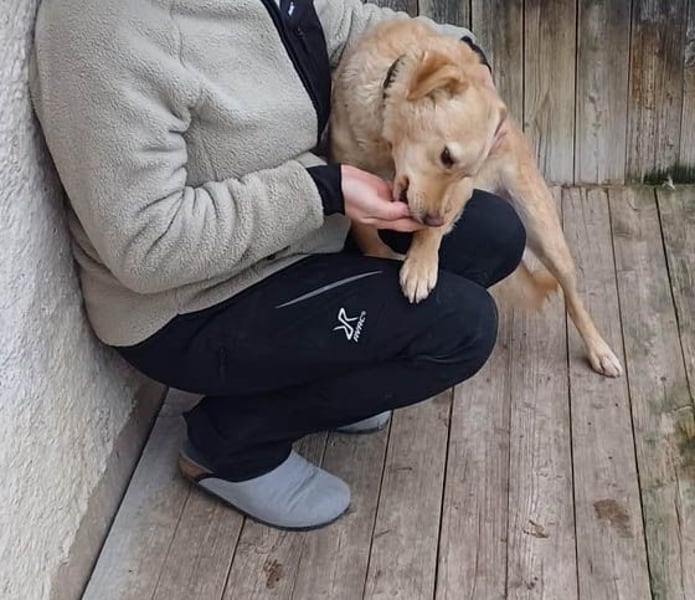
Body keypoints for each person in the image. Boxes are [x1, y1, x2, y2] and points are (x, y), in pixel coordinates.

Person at [29, 0, 524, 530]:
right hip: (196, 302)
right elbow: (148, 246)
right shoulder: (100, 30)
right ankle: (231, 442)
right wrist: (321, 191)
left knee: (494, 236)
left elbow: (348, 27)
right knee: (462, 328)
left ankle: (333, 370)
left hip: (302, 228)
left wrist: (465, 67)